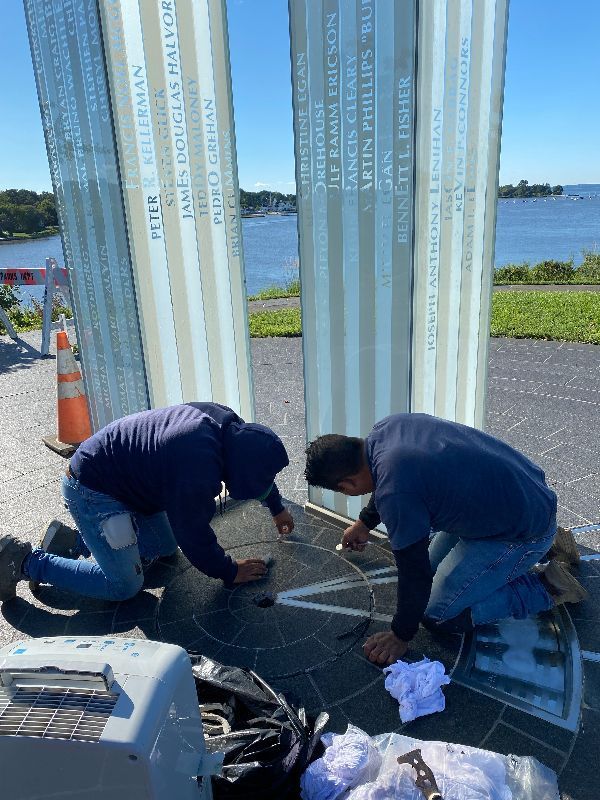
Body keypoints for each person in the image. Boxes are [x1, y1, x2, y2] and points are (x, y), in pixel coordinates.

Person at [304, 413, 586, 666]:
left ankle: (547, 588)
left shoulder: (396, 493)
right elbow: (392, 483)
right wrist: (364, 523)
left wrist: (400, 635)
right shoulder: (387, 430)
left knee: (437, 614)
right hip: (526, 496)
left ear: (347, 485)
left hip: (520, 533)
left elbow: (414, 573)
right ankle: (546, 542)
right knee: (431, 575)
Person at [0, 402, 294, 603]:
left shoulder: (228, 428)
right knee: (124, 586)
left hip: (124, 481)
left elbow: (256, 470)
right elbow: (192, 532)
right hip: (93, 490)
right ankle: (25, 562)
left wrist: (277, 507)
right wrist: (229, 571)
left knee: (165, 549)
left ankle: (76, 541)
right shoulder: (197, 467)